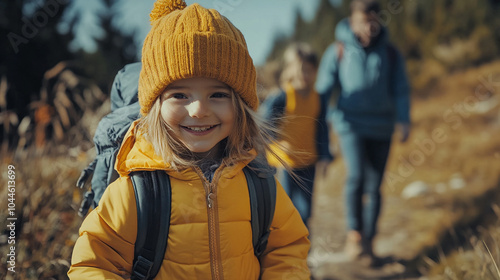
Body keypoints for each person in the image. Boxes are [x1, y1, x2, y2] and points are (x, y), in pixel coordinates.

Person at [68, 1, 310, 279]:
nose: (199, 110)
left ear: (240, 106)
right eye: (180, 95)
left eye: (218, 95)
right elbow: (93, 265)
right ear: (155, 107)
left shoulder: (258, 182)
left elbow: (287, 248)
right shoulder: (137, 190)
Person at [315, 0, 411, 264]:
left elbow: (401, 88)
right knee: (356, 176)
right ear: (352, 21)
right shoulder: (338, 51)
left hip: (382, 125)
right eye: (362, 21)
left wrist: (404, 120)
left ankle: (370, 240)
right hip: (350, 124)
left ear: (378, 21)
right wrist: (317, 124)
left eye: (372, 21)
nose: (368, 27)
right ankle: (354, 235)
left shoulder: (390, 53)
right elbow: (322, 91)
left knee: (375, 184)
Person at [259, 43, 332, 226]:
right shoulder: (281, 97)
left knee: (306, 211)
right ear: (290, 70)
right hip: (284, 163)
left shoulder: (319, 98)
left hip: (308, 162)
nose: (305, 75)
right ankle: (281, 250)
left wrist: (325, 156)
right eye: (301, 69)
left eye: (310, 70)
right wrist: (274, 142)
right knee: (284, 210)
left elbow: (322, 129)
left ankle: (303, 250)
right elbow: (263, 125)